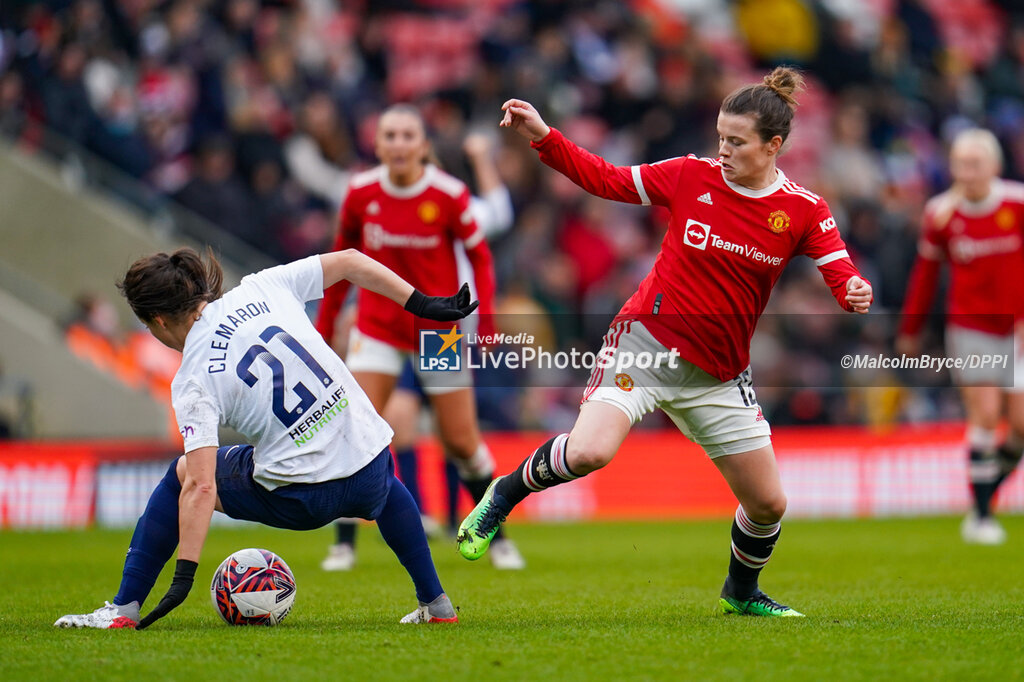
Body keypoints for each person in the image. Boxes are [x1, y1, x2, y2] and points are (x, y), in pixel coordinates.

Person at [457, 67, 874, 617]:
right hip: (646, 347)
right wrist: (544, 136)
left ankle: (741, 593)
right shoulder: (688, 176)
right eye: (720, 137)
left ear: (774, 145)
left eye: (737, 141)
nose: (722, 150)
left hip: (720, 375)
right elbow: (605, 178)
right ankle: (503, 495)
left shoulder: (802, 209)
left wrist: (853, 290)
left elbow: (839, 265)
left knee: (769, 503)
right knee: (589, 452)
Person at [54, 246, 477, 629]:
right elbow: (350, 260)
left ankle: (124, 608)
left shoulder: (192, 379)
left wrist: (184, 575)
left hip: (301, 498)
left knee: (181, 472)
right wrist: (422, 304)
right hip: (368, 469)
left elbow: (201, 485)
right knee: (383, 482)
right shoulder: (264, 286)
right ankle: (436, 603)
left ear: (159, 321)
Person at [316, 105, 524, 571]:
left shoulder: (449, 195)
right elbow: (340, 261)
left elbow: (482, 258)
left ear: (423, 146)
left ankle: (498, 533)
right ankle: (344, 543)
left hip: (438, 333)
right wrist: (325, 327)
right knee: (355, 432)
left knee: (461, 441)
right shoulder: (359, 193)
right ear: (378, 144)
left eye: (408, 135)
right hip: (378, 329)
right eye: (390, 135)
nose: (399, 144)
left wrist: (485, 325)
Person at [897, 128, 1024, 545]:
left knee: (1020, 426)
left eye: (975, 164)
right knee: (986, 414)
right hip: (970, 327)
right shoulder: (941, 214)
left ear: (995, 166)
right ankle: (984, 516)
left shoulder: (1016, 204)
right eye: (960, 164)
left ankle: (983, 497)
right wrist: (910, 330)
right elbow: (925, 276)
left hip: (1018, 327)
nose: (967, 173)